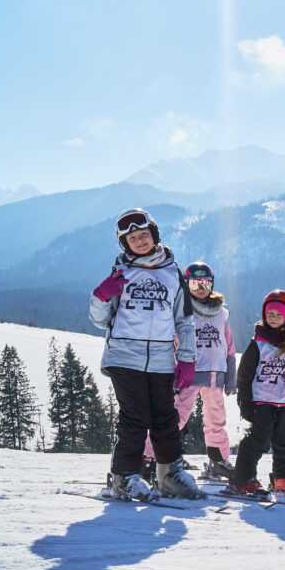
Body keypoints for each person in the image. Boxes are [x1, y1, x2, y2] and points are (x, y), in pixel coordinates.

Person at [89, 208, 202, 501]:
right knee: (135, 417)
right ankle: (124, 477)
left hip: (162, 358)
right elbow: (101, 320)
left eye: (143, 235)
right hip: (124, 356)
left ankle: (170, 475)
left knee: (166, 417)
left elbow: (184, 320)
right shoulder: (121, 272)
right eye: (133, 238)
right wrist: (101, 296)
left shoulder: (173, 274)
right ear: (125, 244)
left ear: (154, 235)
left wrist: (187, 357)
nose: (139, 241)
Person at [142, 262, 236, 480]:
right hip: (189, 374)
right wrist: (170, 371)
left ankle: (218, 460)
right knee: (176, 418)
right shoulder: (182, 310)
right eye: (194, 284)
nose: (200, 288)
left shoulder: (221, 313)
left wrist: (231, 374)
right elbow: (171, 340)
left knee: (216, 420)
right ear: (186, 285)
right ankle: (148, 456)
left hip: (215, 374)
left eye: (205, 284)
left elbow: (229, 346)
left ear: (212, 285)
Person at [230, 290, 285, 498]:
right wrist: (245, 402)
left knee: (284, 441)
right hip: (261, 400)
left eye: (278, 314)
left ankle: (282, 476)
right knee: (258, 440)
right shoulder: (258, 343)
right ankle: (243, 478)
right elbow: (244, 375)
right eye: (270, 314)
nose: (273, 318)